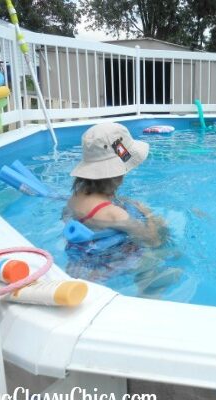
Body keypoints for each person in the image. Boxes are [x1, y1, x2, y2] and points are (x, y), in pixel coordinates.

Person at [64, 122, 180, 295]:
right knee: (161, 253)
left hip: (80, 261)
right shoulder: (115, 214)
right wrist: (148, 214)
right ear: (117, 175)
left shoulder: (75, 198)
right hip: (105, 266)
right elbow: (151, 238)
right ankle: (148, 286)